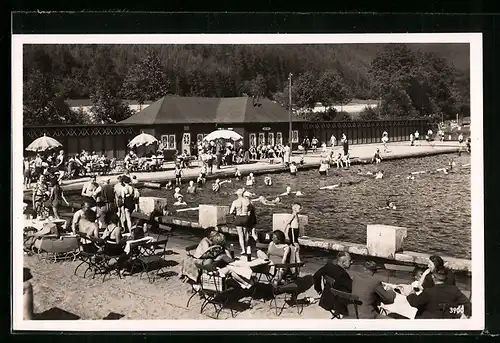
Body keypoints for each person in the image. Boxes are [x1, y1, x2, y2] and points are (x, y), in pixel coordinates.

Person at [407, 268, 471, 319]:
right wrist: (467, 315)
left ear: (433, 277)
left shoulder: (429, 291)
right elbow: (467, 303)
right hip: (446, 320)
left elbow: (415, 303)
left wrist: (411, 295)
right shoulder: (454, 290)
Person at [313, 252, 353, 318]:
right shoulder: (343, 275)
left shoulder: (329, 266)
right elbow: (352, 288)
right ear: (343, 263)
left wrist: (318, 289)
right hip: (337, 304)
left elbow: (316, 275)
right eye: (350, 261)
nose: (351, 262)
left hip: (326, 300)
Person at [230, 188, 252, 254]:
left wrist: (235, 213)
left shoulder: (235, 202)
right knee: (246, 234)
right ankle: (247, 246)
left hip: (238, 217)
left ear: (237, 194)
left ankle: (243, 250)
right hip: (245, 217)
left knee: (240, 235)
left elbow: (231, 212)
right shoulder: (247, 201)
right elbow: (250, 210)